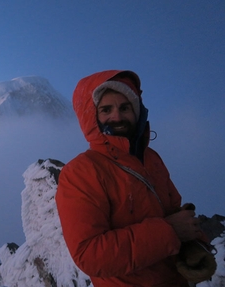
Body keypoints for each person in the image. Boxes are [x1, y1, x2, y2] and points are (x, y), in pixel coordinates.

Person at [55, 70, 216, 286]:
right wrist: (169, 232)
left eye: (125, 107)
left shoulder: (151, 158)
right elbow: (90, 255)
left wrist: (194, 243)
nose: (117, 116)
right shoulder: (81, 172)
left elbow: (173, 210)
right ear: (92, 117)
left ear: (137, 111)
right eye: (106, 109)